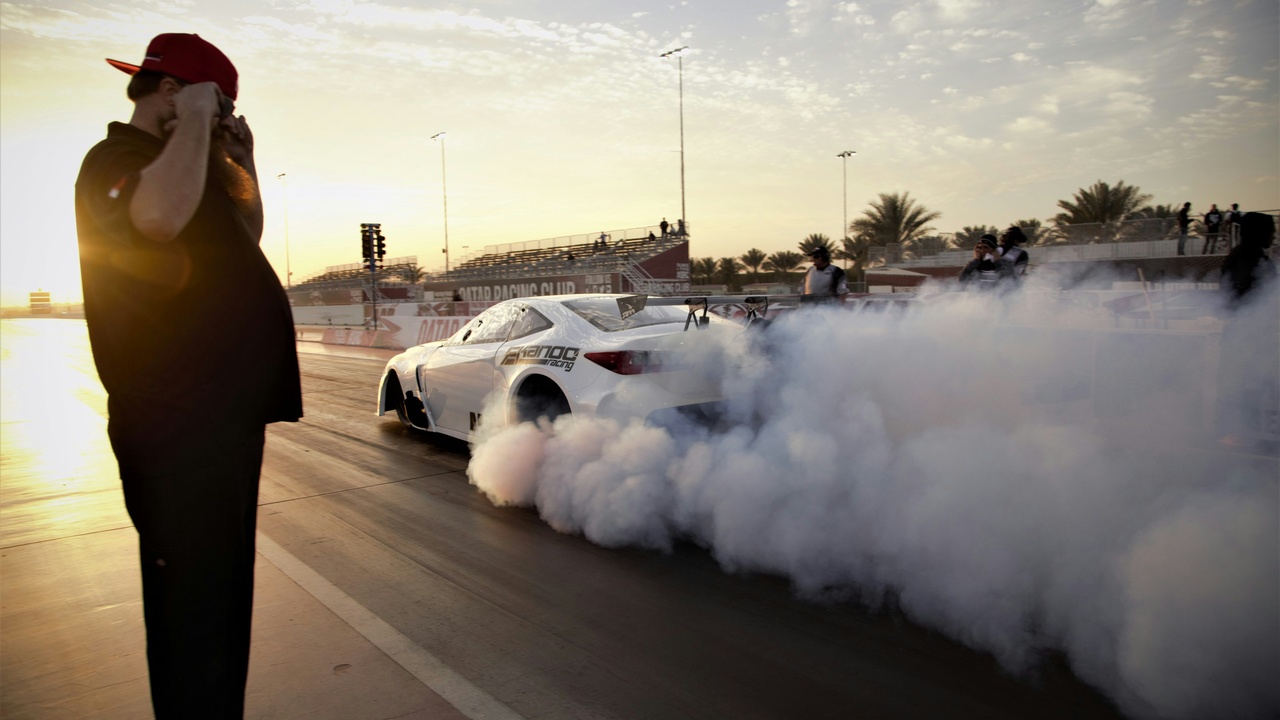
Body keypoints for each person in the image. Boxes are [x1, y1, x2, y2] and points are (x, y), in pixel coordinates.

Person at [74, 34, 302, 718]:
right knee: (191, 618)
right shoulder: (117, 159)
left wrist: (243, 157)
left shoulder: (189, 168)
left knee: (222, 607)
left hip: (220, 422)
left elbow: (246, 230)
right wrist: (202, 119)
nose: (228, 115)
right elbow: (154, 219)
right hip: (177, 424)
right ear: (173, 92)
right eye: (221, 100)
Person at [1220, 211, 1276, 307]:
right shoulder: (1247, 254)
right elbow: (1244, 287)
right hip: (1244, 312)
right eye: (1271, 232)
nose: (1273, 237)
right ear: (1260, 232)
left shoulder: (1253, 252)